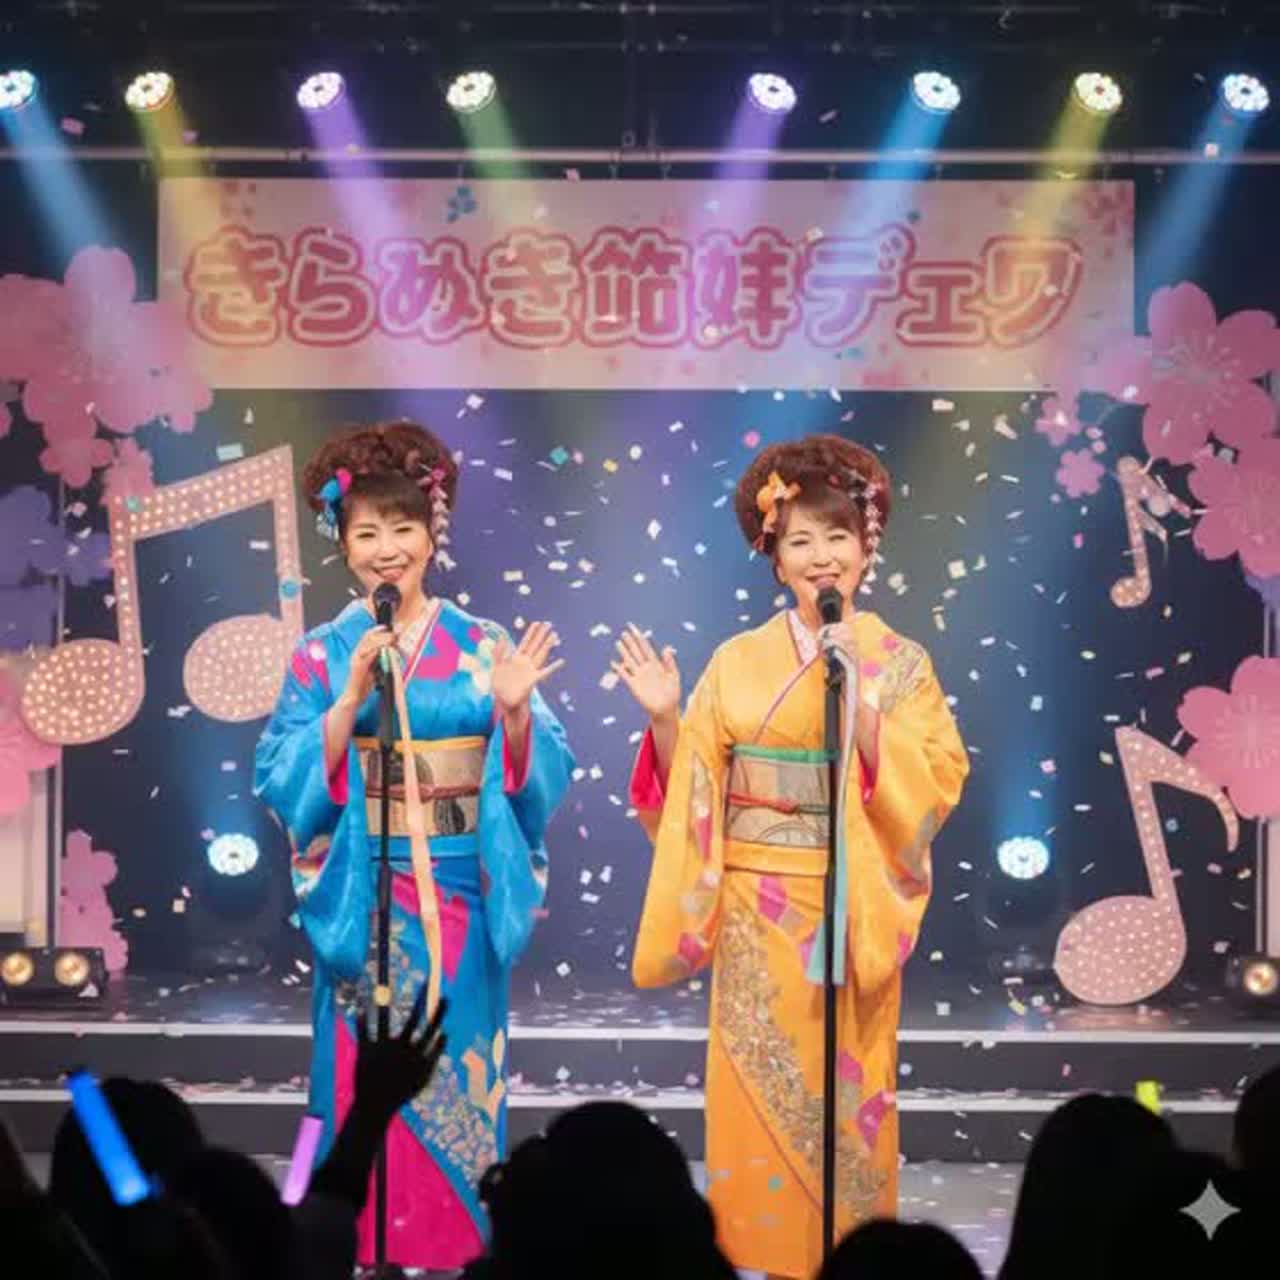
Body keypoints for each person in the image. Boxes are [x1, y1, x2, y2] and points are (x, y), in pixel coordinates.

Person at [614, 433, 968, 1278]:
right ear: (774, 560)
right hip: (754, 914)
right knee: (756, 1098)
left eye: (837, 536)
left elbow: (938, 782)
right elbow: (694, 792)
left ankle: (853, 1261)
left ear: (867, 549)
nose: (821, 557)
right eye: (800, 541)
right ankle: (762, 1256)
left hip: (854, 910)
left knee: (848, 1101)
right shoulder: (737, 661)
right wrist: (665, 720)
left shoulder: (900, 663)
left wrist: (866, 708)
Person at [254, 419, 574, 1271]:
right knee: (357, 1073)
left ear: (434, 534)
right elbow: (280, 773)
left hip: (460, 893)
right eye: (367, 532)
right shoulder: (321, 655)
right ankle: (355, 1241)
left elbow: (543, 771)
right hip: (360, 892)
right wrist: (346, 699)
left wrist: (513, 712)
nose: (387, 549)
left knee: (455, 1067)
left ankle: (456, 1246)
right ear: (342, 543)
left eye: (404, 527)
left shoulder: (482, 645)